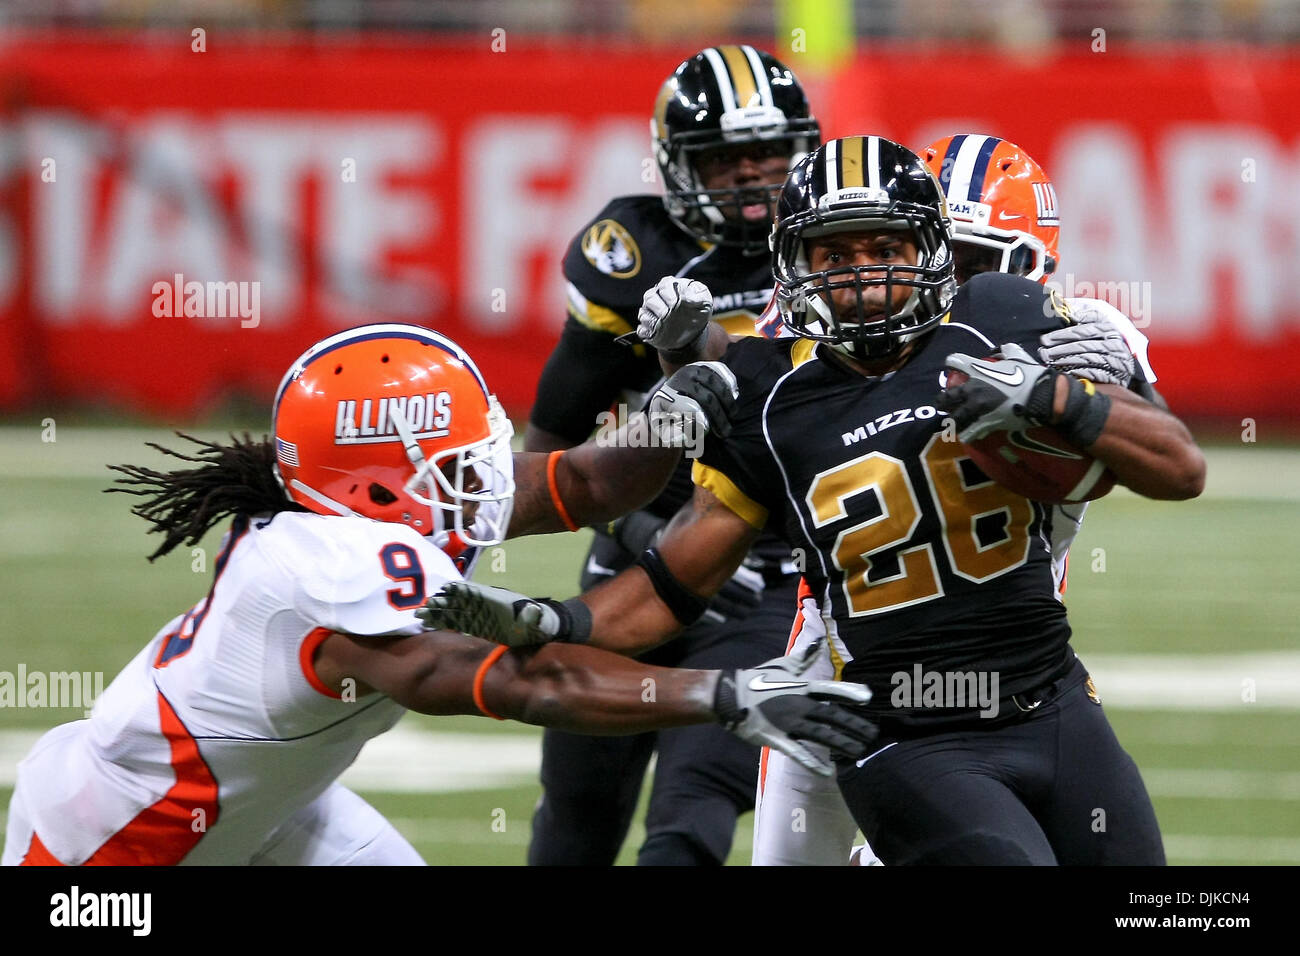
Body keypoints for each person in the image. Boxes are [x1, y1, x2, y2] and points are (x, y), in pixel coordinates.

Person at [423, 138, 1207, 865]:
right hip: (884, 717)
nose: (864, 275)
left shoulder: (1017, 321)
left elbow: (1180, 468)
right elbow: (673, 580)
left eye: (886, 249)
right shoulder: (767, 390)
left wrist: (1066, 396)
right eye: (834, 254)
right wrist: (558, 618)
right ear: (792, 265)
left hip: (1053, 702)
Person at [1, 323, 878, 867]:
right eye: (456, 457)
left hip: (269, 807)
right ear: (379, 483)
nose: (487, 473)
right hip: (119, 843)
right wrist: (719, 694)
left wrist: (681, 406)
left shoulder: (364, 499)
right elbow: (519, 681)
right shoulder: (333, 562)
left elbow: (582, 482)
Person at [744, 133, 1167, 864]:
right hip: (848, 670)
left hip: (1022, 665)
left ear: (1031, 271)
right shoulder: (816, 349)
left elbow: (1170, 455)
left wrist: (1102, 387)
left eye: (977, 266)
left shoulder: (1068, 333)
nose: (957, 293)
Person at [522, 45, 820, 866]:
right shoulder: (637, 249)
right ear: (680, 166)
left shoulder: (833, 251)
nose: (755, 177)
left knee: (692, 815)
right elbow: (551, 439)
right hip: (636, 553)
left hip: (766, 572)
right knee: (576, 815)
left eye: (771, 153)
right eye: (727, 159)